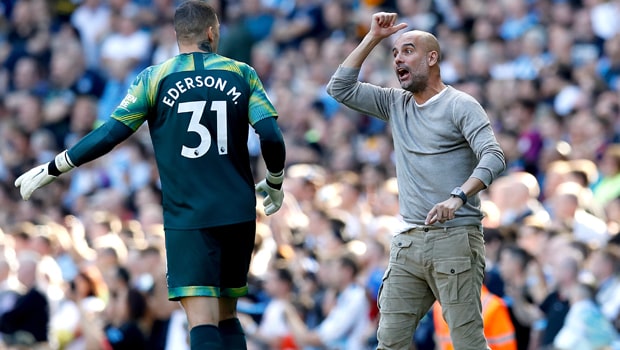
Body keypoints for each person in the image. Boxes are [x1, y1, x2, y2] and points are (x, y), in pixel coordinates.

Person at [13, 1, 287, 349]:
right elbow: (272, 136)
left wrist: (55, 166)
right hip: (237, 211)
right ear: (212, 32)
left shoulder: (154, 78)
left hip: (189, 214)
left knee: (202, 320)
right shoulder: (242, 73)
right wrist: (275, 181)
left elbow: (111, 134)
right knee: (227, 314)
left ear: (176, 36)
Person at [326, 12, 506, 350]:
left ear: (432, 57)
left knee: (467, 342)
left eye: (407, 51)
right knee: (389, 343)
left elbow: (494, 156)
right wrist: (372, 38)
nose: (398, 59)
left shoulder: (460, 105)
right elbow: (340, 87)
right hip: (408, 240)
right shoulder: (396, 103)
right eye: (394, 53)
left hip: (455, 240)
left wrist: (458, 198)